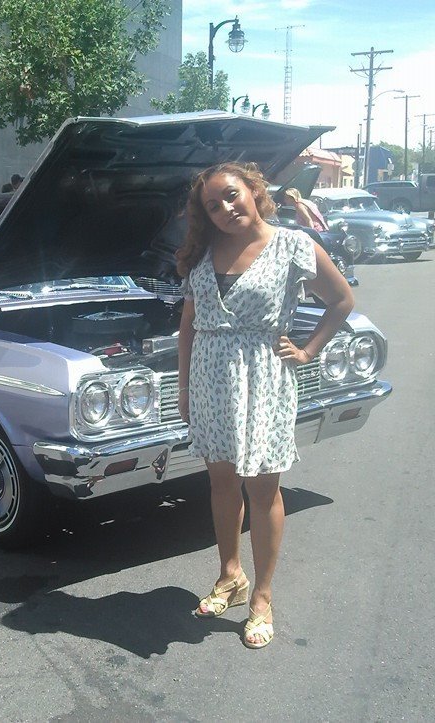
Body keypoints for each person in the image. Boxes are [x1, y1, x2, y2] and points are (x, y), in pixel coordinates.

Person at [176, 162, 354, 649]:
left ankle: (262, 596)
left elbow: (342, 300)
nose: (225, 208)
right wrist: (184, 388)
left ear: (254, 191)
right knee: (221, 482)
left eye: (232, 195)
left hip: (264, 380)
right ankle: (230, 575)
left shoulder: (293, 245)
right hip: (210, 382)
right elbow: (188, 325)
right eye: (213, 205)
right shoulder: (203, 253)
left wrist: (308, 351)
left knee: (262, 488)